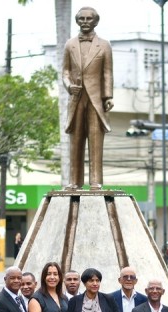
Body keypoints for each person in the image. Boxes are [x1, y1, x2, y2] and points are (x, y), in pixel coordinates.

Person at [63, 6, 114, 190]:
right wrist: (69, 86)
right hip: (76, 98)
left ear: (96, 21)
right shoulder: (69, 44)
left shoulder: (105, 45)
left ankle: (95, 182)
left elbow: (107, 73)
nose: (85, 22)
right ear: (77, 21)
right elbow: (65, 72)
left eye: (88, 19)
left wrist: (108, 96)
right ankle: (74, 181)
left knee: (95, 141)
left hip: (96, 99)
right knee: (75, 141)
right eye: (81, 19)